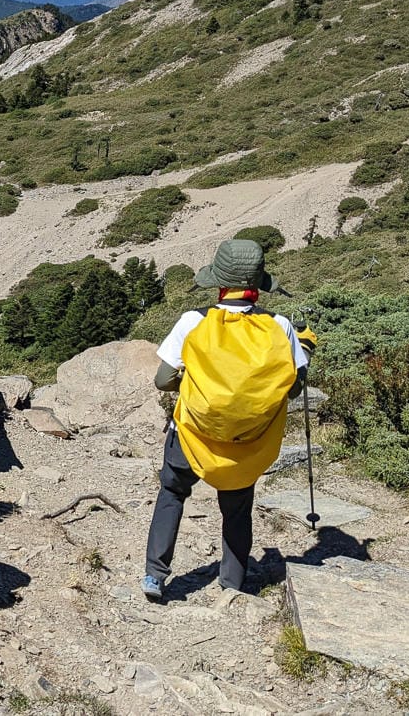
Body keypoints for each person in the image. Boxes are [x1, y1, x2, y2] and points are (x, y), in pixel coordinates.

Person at [142, 239, 308, 601]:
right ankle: (232, 584)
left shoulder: (193, 321)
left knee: (172, 492)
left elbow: (163, 380)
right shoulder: (280, 327)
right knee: (237, 509)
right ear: (259, 285)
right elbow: (293, 390)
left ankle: (155, 575)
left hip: (190, 434)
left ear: (218, 281)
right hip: (247, 443)